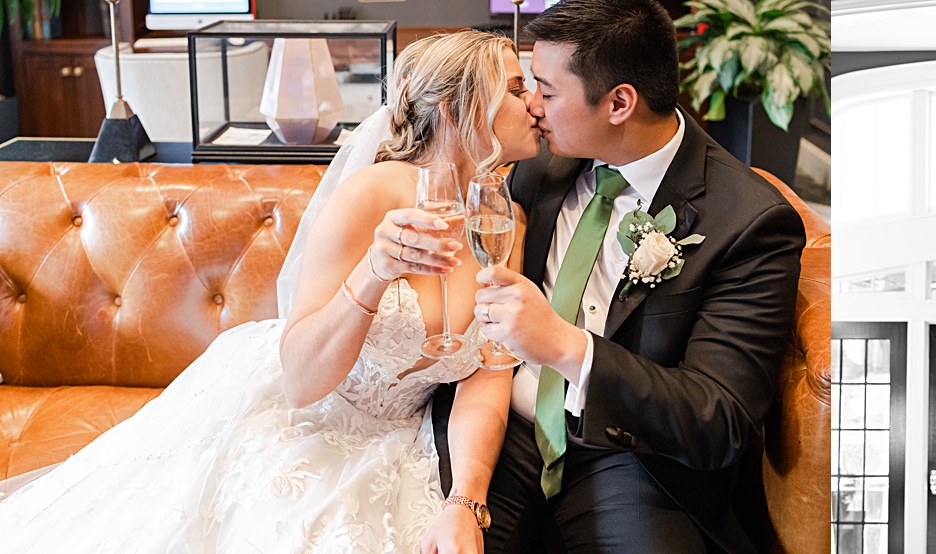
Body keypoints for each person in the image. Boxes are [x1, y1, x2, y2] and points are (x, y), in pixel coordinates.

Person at [0, 30, 539, 553]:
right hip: (300, 416)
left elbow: (488, 372)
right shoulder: (371, 195)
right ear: (455, 109)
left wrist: (465, 501)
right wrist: (373, 272)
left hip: (401, 442)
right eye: (517, 89)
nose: (535, 102)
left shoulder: (502, 221)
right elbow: (302, 382)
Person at [429, 0, 806, 551]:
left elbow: (719, 418)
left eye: (547, 91)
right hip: (499, 429)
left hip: (630, 458)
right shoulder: (535, 164)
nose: (532, 106)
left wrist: (566, 347)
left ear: (619, 103)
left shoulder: (747, 220)